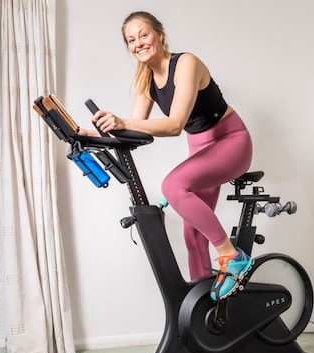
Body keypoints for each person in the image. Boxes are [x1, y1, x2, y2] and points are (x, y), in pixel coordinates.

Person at [81, 11, 253, 301]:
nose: (138, 43)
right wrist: (88, 134)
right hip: (200, 148)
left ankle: (231, 255)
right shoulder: (146, 81)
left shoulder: (186, 64)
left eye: (143, 35)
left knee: (173, 187)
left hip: (230, 142)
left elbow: (174, 126)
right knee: (193, 234)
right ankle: (206, 308)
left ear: (159, 35)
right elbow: (131, 133)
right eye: (131, 40)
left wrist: (123, 121)